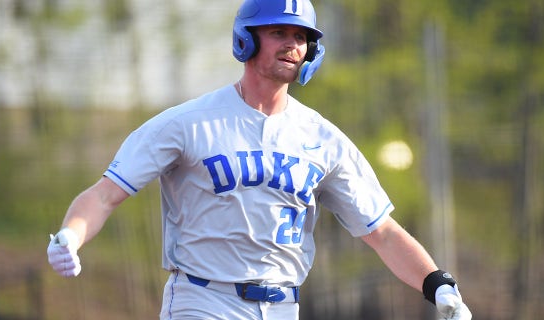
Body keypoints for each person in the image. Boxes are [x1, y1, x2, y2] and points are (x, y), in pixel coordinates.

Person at [47, 0, 473, 319]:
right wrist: (71, 234)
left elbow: (381, 232)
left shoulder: (324, 139)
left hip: (285, 305)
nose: (293, 44)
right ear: (245, 39)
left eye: (302, 37)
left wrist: (437, 283)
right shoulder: (188, 123)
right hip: (202, 300)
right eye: (280, 32)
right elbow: (104, 196)